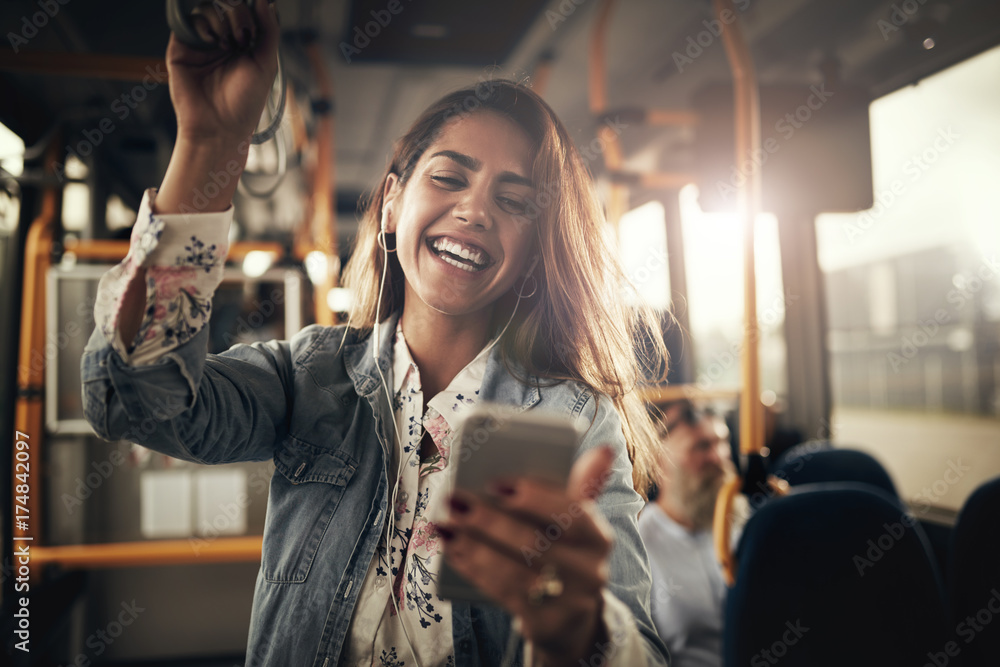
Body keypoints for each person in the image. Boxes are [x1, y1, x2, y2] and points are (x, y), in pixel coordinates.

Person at [80, 2, 670, 666]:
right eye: (448, 177)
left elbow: (639, 648)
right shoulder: (310, 375)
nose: (475, 210)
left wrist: (580, 629)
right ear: (392, 203)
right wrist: (211, 145)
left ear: (537, 248)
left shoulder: (575, 420)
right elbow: (135, 396)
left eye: (514, 200)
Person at [638, 401, 733, 667]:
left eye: (722, 442)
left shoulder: (748, 526)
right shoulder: (640, 546)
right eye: (702, 446)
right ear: (660, 459)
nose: (718, 458)